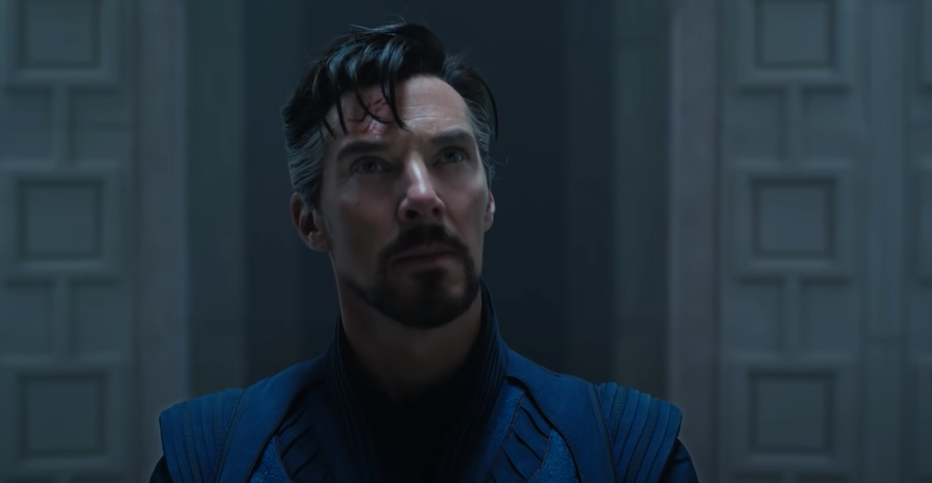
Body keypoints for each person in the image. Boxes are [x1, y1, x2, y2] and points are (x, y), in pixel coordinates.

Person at [149, 22, 699, 483]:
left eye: (451, 156)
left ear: (488, 200)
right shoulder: (210, 461)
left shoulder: (627, 457)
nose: (422, 196)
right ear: (311, 221)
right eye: (371, 164)